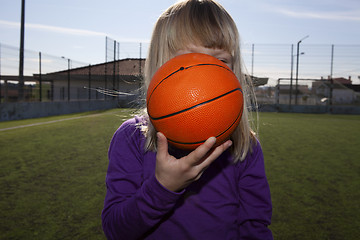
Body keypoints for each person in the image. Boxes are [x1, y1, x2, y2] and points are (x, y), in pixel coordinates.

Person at [101, 0, 273, 239]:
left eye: (221, 61)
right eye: (191, 58)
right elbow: (115, 229)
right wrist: (162, 187)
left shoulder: (246, 147)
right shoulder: (131, 138)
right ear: (160, 66)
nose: (205, 75)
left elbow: (255, 227)